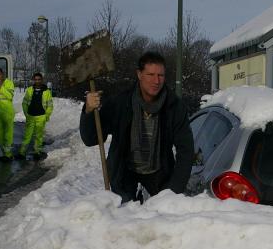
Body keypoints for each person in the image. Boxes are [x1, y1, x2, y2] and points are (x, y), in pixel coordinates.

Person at [80, 51, 193, 202]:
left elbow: (186, 150)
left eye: (160, 75)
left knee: (163, 214)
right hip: (125, 173)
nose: (156, 81)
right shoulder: (120, 102)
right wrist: (88, 110)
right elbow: (90, 138)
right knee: (125, 213)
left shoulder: (174, 106)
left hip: (159, 173)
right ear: (139, 74)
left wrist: (174, 190)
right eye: (150, 74)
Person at [16, 72, 53, 161]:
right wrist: (26, 113)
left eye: (39, 79)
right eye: (35, 79)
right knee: (27, 136)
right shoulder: (29, 90)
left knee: (39, 136)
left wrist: (46, 116)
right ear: (33, 80)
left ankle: (37, 152)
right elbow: (24, 103)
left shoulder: (47, 91)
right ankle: (22, 153)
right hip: (31, 116)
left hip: (41, 116)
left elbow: (50, 105)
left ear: (42, 80)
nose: (37, 81)